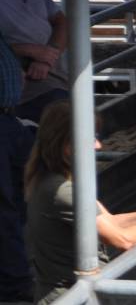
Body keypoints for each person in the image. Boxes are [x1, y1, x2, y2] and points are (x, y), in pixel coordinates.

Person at [25, 102, 136, 303]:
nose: (98, 145)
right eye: (91, 138)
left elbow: (107, 221)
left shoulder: (55, 179)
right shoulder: (63, 191)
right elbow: (122, 239)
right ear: (66, 144)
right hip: (73, 296)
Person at [0, 0, 68, 121]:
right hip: (19, 83)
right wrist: (27, 50)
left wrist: (46, 56)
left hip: (50, 74)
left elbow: (61, 22)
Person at [0, 32, 34, 303]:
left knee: (20, 199)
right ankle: (14, 282)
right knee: (5, 207)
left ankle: (16, 274)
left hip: (9, 118)